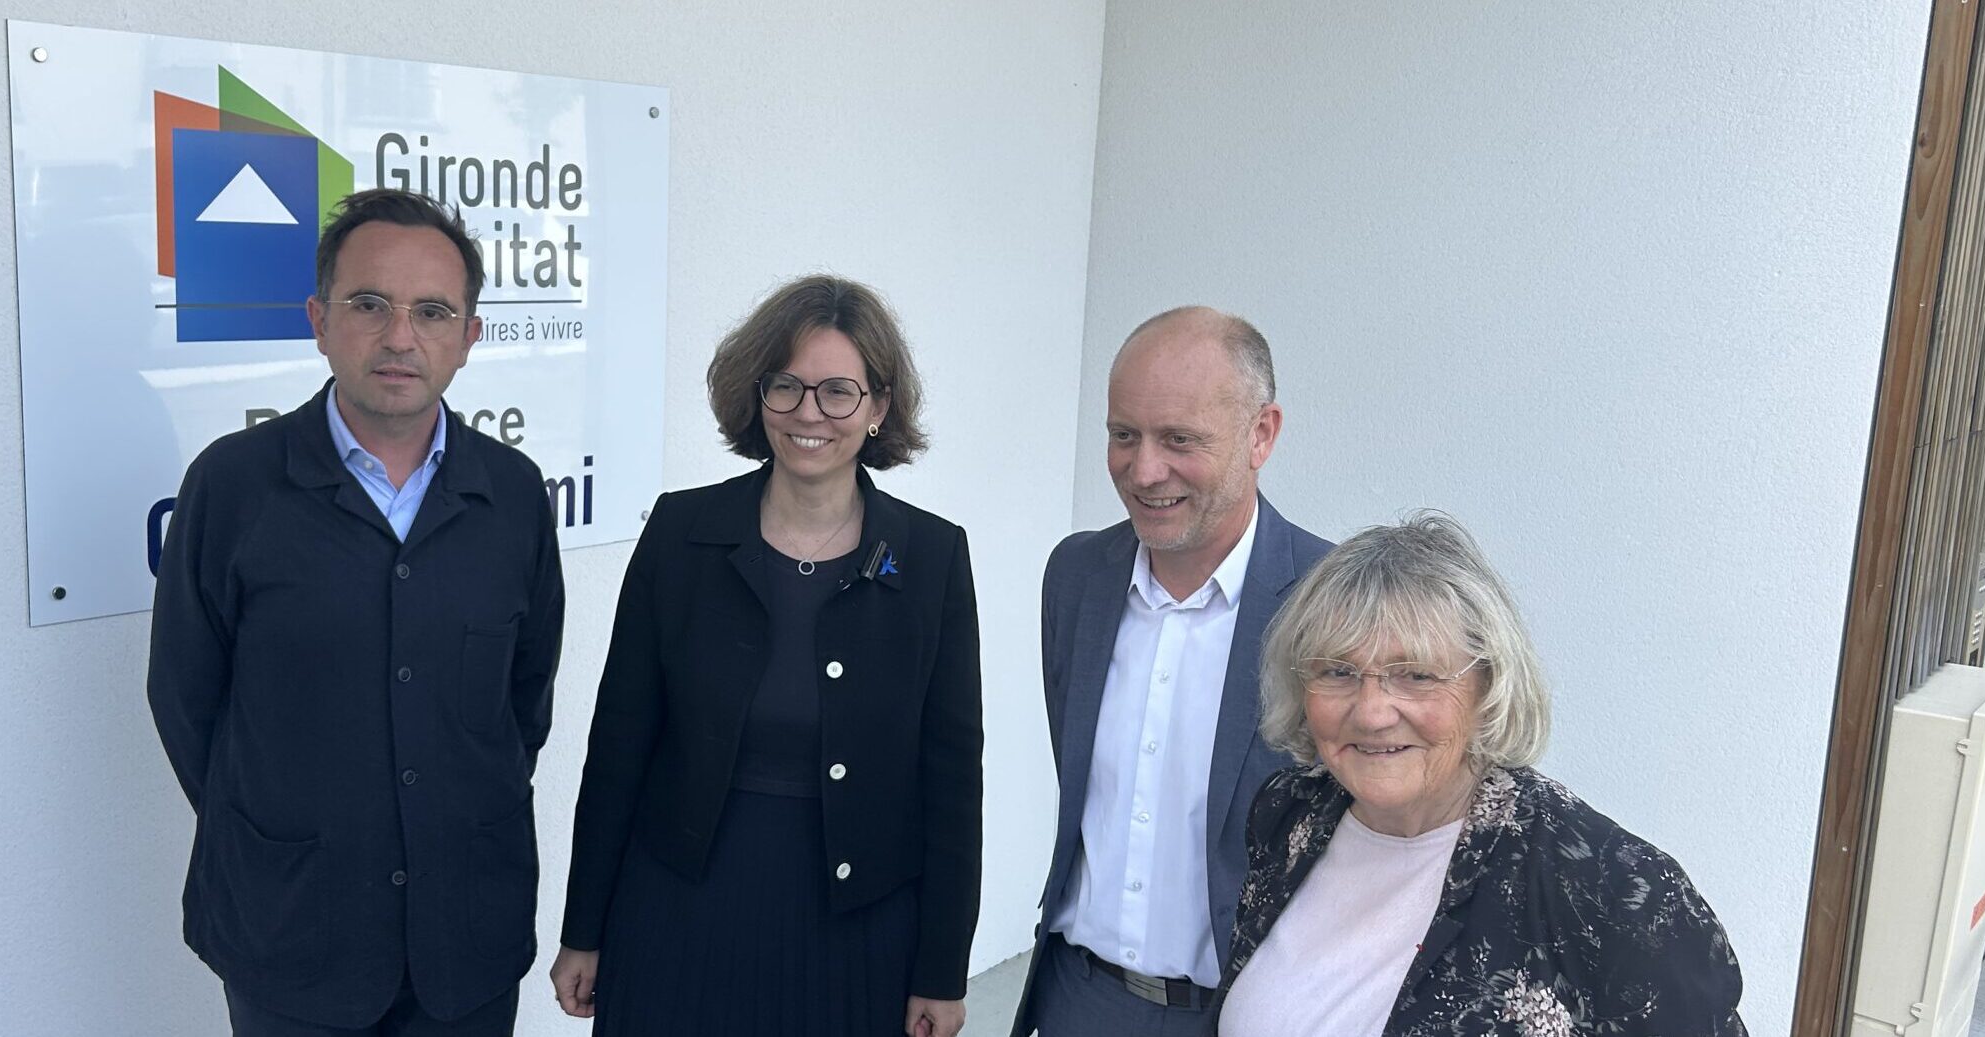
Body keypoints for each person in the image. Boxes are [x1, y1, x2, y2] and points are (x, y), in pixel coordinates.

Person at [148, 188, 565, 1037]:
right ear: (319, 319)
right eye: (370, 304)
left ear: (469, 336)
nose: (400, 336)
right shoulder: (233, 486)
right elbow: (187, 700)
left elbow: (523, 704)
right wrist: (288, 823)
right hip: (292, 934)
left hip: (465, 937)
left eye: (432, 311)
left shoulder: (514, 494)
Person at [550, 275, 982, 1037]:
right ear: (758, 396)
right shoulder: (681, 533)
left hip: (856, 929)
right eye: (786, 386)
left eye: (838, 391)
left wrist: (941, 969)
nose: (808, 412)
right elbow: (618, 747)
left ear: (879, 407)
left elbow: (952, 781)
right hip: (677, 911)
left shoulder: (931, 556)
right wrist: (582, 927)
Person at [1218, 513, 1746, 1036]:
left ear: (1489, 686)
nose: (1372, 712)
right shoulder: (1291, 812)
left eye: (1417, 675)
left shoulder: (1611, 889)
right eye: (1339, 671)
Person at [1012, 307, 1331, 1036]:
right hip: (1075, 998)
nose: (1144, 470)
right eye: (1123, 435)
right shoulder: (1076, 576)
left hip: (1242, 1014)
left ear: (1261, 434)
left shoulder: (1332, 598)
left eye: (1179, 439)